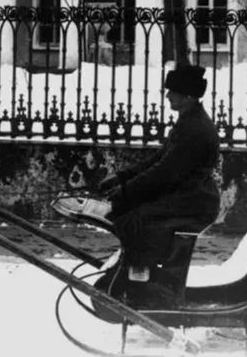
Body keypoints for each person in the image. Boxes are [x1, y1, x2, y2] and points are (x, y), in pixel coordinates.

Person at [54, 63, 220, 296]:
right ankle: (137, 275)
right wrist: (120, 179)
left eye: (173, 92)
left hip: (194, 202)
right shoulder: (189, 121)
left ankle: (140, 283)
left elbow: (164, 172)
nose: (167, 96)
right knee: (129, 213)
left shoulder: (195, 128)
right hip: (188, 196)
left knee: (135, 219)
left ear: (188, 97)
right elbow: (158, 160)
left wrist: (125, 192)